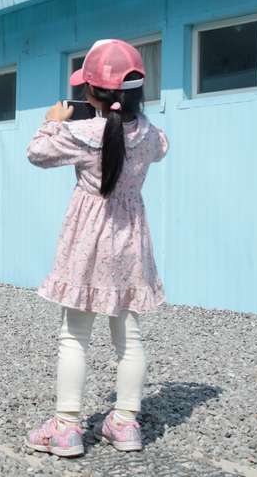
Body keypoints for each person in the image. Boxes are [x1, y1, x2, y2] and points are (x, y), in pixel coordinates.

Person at [25, 39, 169, 457]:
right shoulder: (150, 135)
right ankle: (125, 423)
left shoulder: (79, 132)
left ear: (90, 93)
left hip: (88, 242)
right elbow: (159, 147)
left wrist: (53, 121)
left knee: (75, 335)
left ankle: (67, 427)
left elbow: (36, 153)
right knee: (129, 334)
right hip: (129, 241)